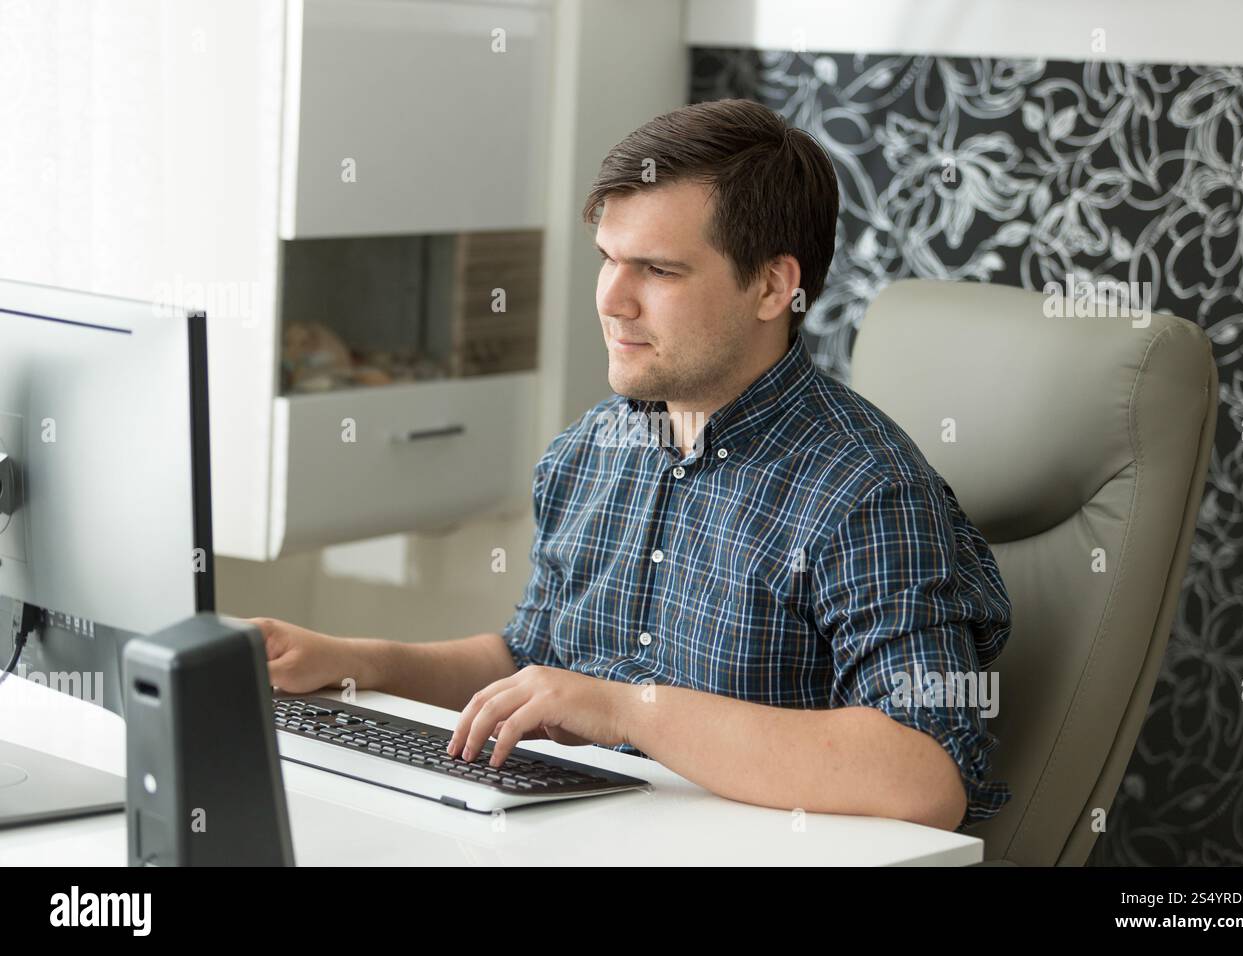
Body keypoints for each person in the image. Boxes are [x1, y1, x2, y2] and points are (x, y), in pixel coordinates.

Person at [252, 98, 1012, 832]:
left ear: (774, 286)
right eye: (608, 260)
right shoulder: (588, 452)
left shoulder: (866, 491)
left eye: (658, 270)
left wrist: (625, 709)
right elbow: (535, 664)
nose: (612, 300)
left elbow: (925, 775)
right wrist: (351, 661)